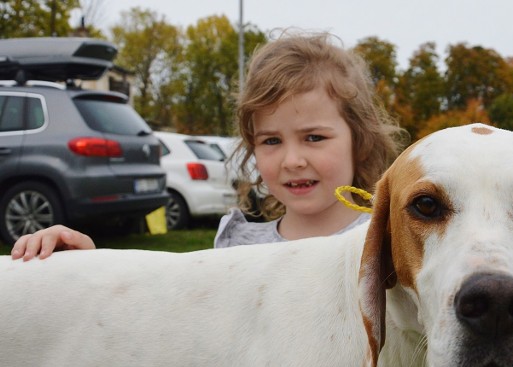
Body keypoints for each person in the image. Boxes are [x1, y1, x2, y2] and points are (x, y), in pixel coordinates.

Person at [11, 31, 405, 260]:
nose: (292, 160)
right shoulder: (238, 245)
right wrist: (90, 265)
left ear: (361, 140)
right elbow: (180, 318)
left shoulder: (391, 243)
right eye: (270, 140)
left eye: (314, 137)